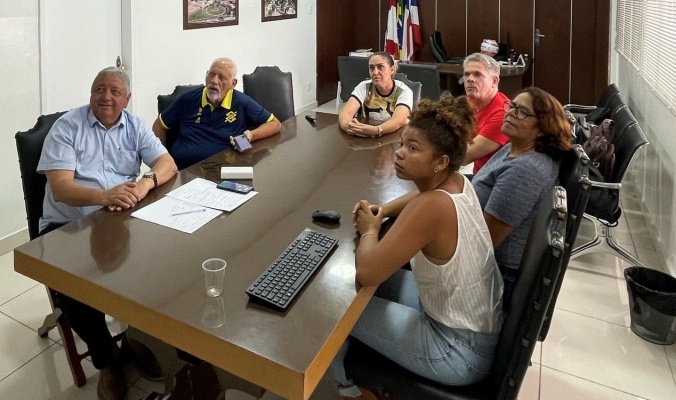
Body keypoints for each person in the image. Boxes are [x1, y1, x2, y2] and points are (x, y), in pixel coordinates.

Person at [331, 97, 503, 398]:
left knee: (335, 309)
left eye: (413, 149)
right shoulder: (458, 182)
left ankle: (350, 389)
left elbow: (369, 271)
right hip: (473, 325)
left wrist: (371, 230)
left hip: (456, 350)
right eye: (402, 144)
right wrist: (382, 210)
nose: (399, 154)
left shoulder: (433, 206)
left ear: (440, 162)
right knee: (352, 287)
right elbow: (418, 200)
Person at [37, 66, 178, 400]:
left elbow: (167, 164)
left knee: (160, 261)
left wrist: (145, 183)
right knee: (76, 285)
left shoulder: (135, 125)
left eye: (115, 91)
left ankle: (133, 338)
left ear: (127, 99)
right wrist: (104, 195)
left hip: (118, 217)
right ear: (90, 94)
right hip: (69, 224)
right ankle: (107, 360)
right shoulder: (67, 128)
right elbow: (60, 189)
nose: (107, 96)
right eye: (100, 89)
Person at [472, 87, 572, 302]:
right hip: (482, 256)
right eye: (512, 106)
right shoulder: (514, 148)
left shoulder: (526, 171)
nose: (510, 113)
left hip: (495, 276)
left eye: (523, 112)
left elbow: (484, 242)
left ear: (544, 128)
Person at [152, 57, 282, 169]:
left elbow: (275, 124)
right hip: (184, 171)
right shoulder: (188, 99)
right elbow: (159, 125)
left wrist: (251, 135)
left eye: (222, 77)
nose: (214, 81)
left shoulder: (242, 102)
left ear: (233, 83)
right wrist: (164, 160)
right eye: (211, 74)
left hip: (223, 170)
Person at [338, 51, 413, 137]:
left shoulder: (404, 91)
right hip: (368, 136)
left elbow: (398, 121)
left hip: (395, 137)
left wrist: (376, 130)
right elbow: (346, 113)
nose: (375, 72)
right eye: (371, 68)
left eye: (380, 67)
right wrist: (348, 126)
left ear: (392, 70)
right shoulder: (364, 86)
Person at [462, 52, 510, 174]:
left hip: (491, 182)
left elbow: (463, 156)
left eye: (478, 74)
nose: (470, 79)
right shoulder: (472, 102)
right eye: (466, 74)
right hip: (479, 175)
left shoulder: (503, 114)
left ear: (494, 81)